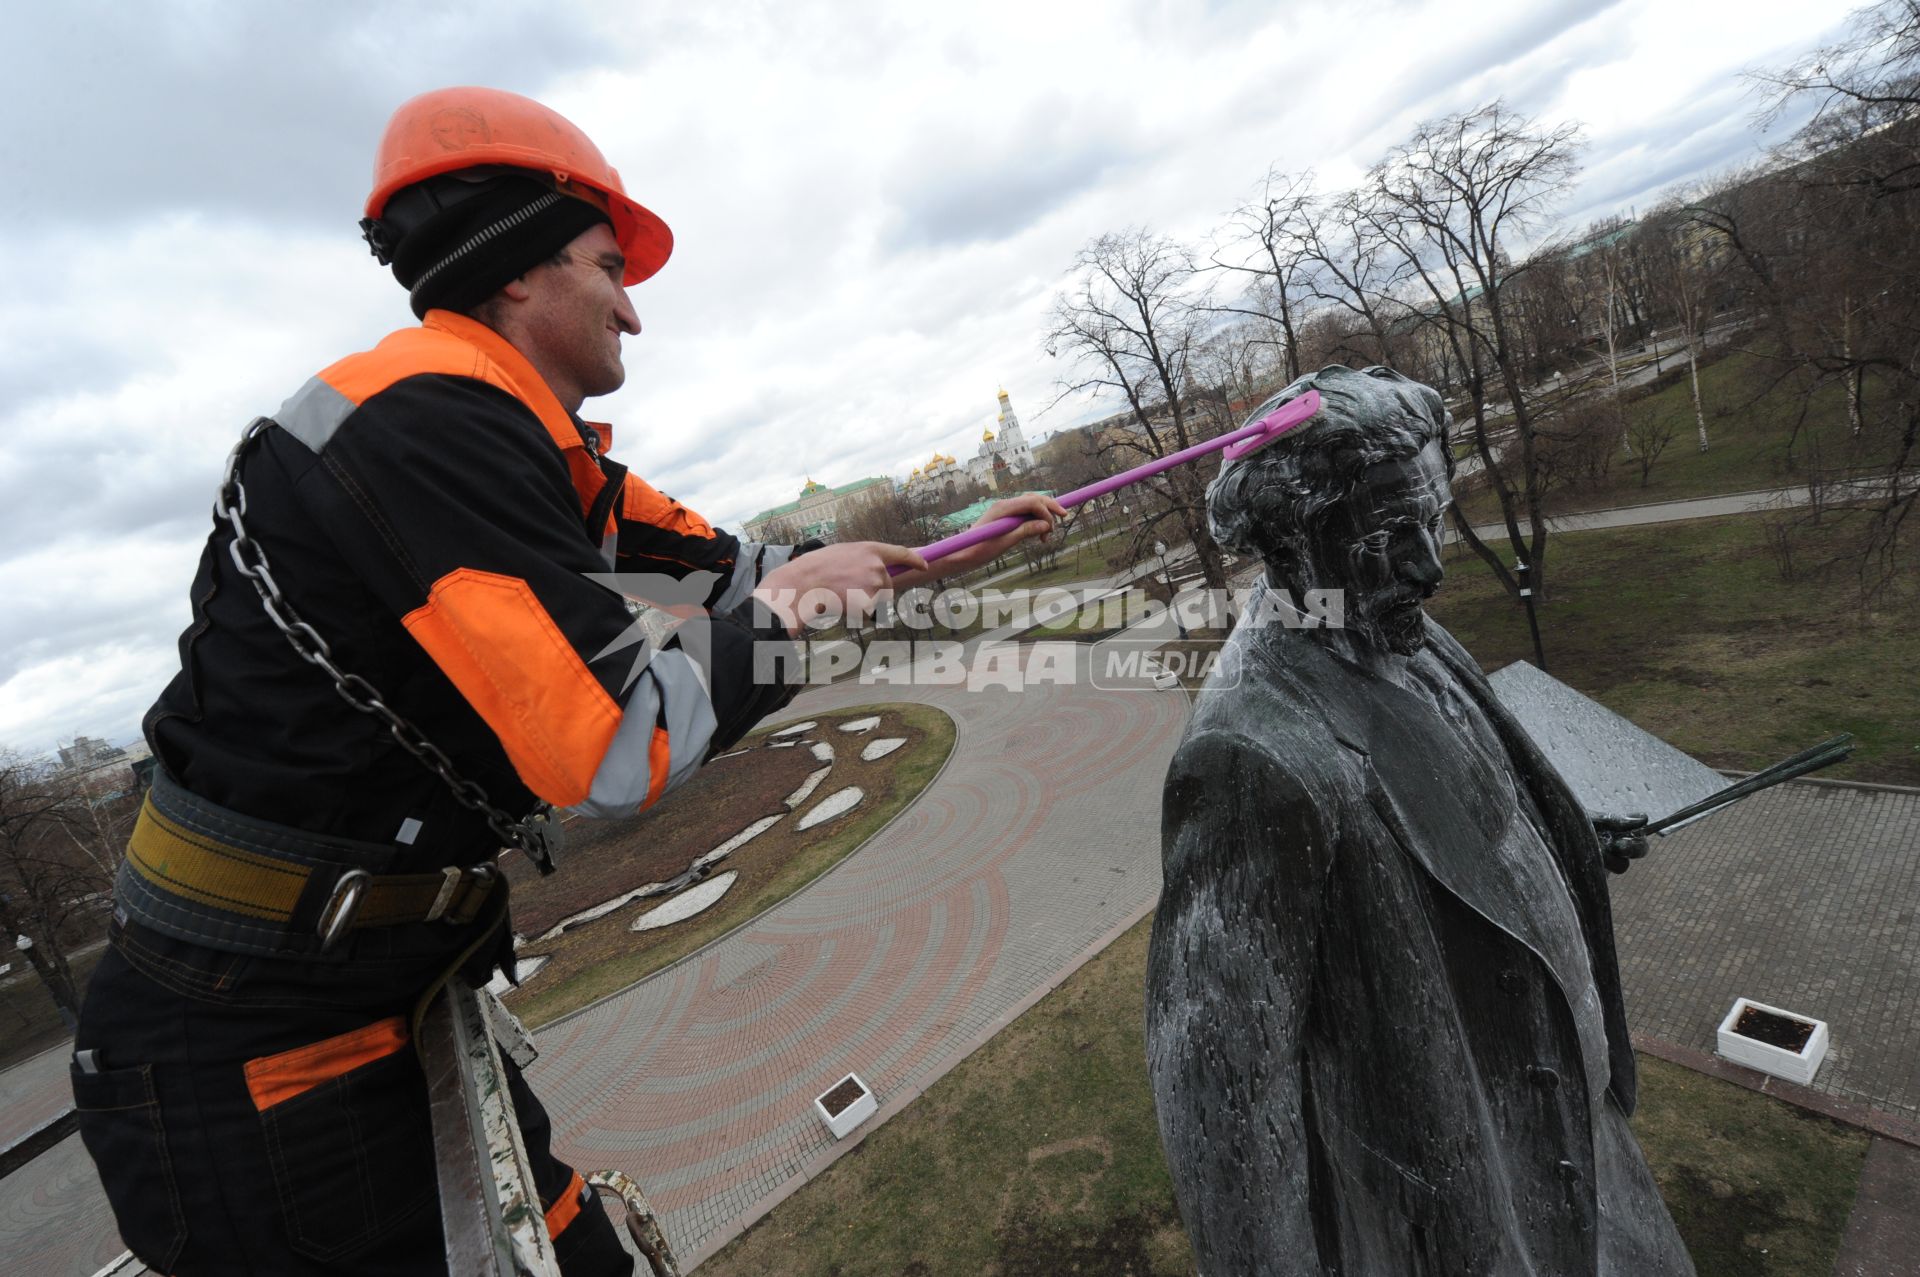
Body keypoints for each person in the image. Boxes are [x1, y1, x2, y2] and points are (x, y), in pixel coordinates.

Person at [71, 86, 1062, 1276]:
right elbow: (613, 742)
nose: (633, 311)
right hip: (257, 1041)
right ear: (515, 273)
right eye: (609, 267)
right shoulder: (424, 424)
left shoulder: (517, 444)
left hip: (342, 987)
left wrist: (952, 537)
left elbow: (733, 562)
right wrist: (793, 612)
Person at [1144, 365, 1692, 1276]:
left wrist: (1566, 847)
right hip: (1464, 1224)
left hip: (1589, 1160)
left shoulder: (1402, 628)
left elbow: (1468, 824)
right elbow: (1223, 1113)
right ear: (1298, 539)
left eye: (1433, 521)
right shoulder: (1252, 756)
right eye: (1394, 535)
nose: (1432, 568)